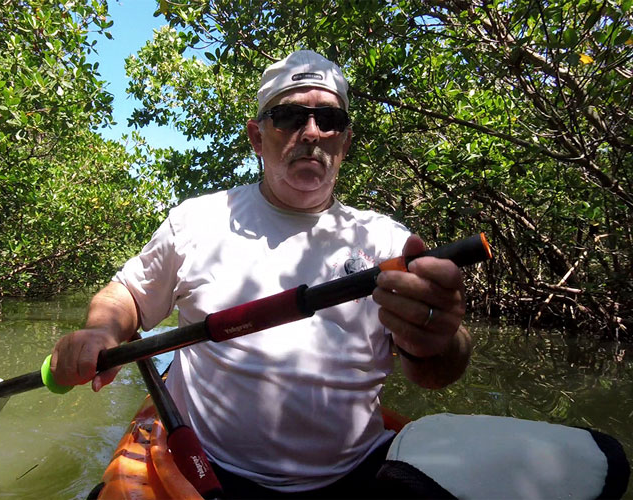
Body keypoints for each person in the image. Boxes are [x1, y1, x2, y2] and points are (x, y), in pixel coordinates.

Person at [51, 50, 472, 498]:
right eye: (289, 116)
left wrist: (438, 340)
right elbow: (128, 296)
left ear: (344, 142)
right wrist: (98, 331)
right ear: (256, 136)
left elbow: (437, 373)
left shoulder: (387, 241)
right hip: (207, 469)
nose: (311, 132)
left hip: (356, 472)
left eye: (328, 119)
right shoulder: (198, 220)